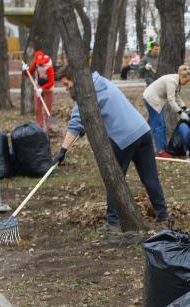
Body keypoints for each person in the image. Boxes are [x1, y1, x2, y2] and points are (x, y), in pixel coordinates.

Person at [53, 68, 169, 232]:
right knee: (150, 177)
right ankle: (163, 214)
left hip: (124, 138)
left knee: (113, 178)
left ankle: (113, 222)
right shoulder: (102, 82)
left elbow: (75, 124)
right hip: (143, 131)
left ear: (75, 79)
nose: (66, 88)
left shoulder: (86, 93)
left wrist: (62, 151)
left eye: (67, 84)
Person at [142, 66, 190, 158]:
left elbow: (176, 96)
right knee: (158, 126)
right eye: (187, 81)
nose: (186, 83)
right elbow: (171, 100)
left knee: (163, 125)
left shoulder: (177, 81)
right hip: (151, 99)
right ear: (183, 77)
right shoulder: (172, 82)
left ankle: (164, 147)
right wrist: (181, 113)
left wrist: (185, 107)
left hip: (158, 99)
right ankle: (160, 151)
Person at [25, 50, 56, 130]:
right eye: (38, 62)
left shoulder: (49, 66)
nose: (40, 63)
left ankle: (51, 128)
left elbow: (51, 82)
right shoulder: (35, 63)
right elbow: (28, 74)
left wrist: (42, 89)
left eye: (41, 62)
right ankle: (40, 127)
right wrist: (25, 70)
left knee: (48, 109)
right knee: (37, 109)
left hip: (48, 89)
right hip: (37, 88)